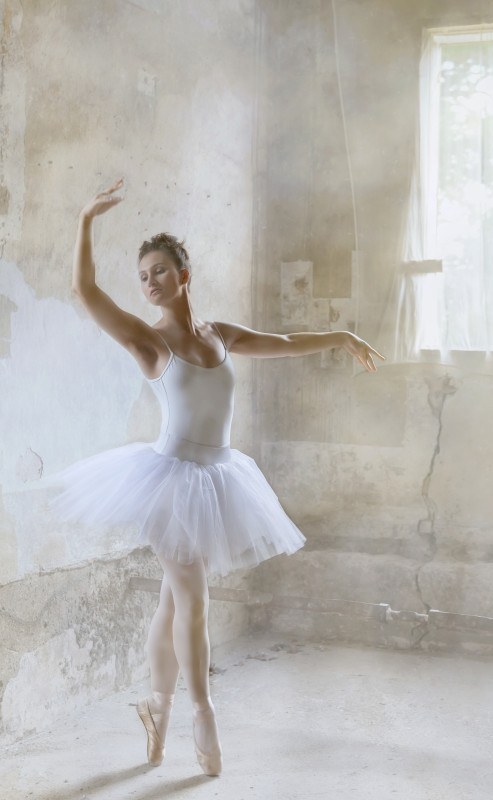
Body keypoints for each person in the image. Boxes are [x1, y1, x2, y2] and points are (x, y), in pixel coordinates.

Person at [46, 178, 385, 777]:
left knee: (173, 602)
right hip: (169, 483)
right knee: (194, 600)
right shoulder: (150, 342)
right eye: (142, 276)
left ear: (184, 275)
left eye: (159, 270)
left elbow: (283, 342)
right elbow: (85, 290)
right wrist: (84, 219)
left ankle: (156, 708)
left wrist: (341, 336)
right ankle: (203, 713)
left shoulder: (218, 335)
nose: (149, 282)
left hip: (219, 477)